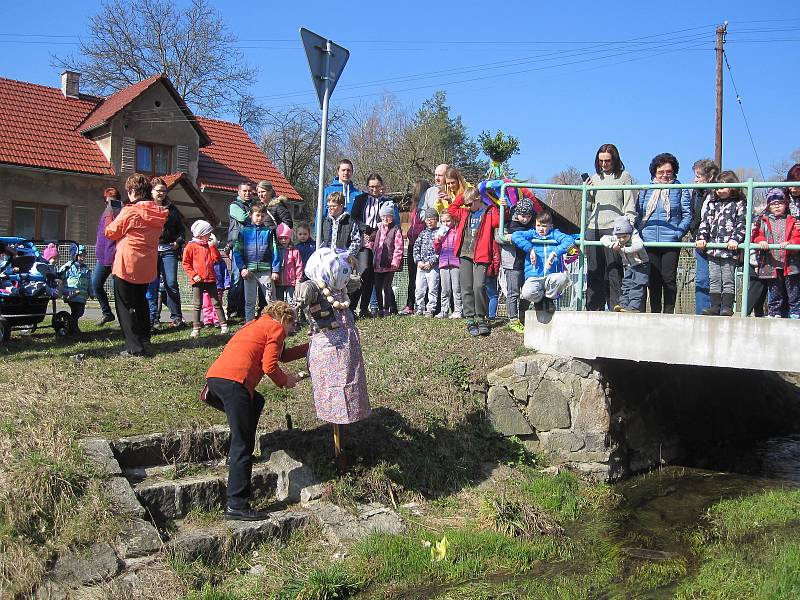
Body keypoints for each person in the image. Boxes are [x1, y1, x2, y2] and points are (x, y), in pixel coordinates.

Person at [204, 301, 308, 521]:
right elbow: (270, 366)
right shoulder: (277, 328)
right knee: (243, 445)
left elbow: (282, 355)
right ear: (284, 319)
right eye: (293, 324)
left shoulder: (256, 325)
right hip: (236, 383)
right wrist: (284, 381)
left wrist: (311, 346)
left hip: (216, 380)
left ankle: (239, 455)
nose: (292, 330)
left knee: (256, 402)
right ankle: (236, 505)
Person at [294, 248, 370, 424]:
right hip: (327, 350)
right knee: (331, 388)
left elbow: (353, 282)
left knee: (352, 383)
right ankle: (334, 420)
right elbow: (303, 292)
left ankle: (349, 421)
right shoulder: (314, 287)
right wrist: (302, 292)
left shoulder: (342, 289)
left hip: (348, 348)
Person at [104, 174, 167, 357]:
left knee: (125, 306)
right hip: (146, 264)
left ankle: (134, 347)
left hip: (126, 263)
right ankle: (145, 339)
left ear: (132, 191)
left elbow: (110, 232)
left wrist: (110, 215)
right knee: (141, 303)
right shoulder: (159, 212)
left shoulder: (129, 211)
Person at [636, 152, 692, 314]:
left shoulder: (680, 189)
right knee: (653, 280)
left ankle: (668, 313)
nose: (664, 175)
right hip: (649, 240)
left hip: (671, 241)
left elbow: (687, 214)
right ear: (654, 172)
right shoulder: (646, 189)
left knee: (668, 279)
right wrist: (641, 231)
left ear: (674, 172)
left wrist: (678, 233)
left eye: (668, 171)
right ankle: (654, 312)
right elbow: (639, 212)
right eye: (661, 172)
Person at [585, 143, 636, 311]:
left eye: (607, 160)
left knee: (614, 269)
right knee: (594, 269)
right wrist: (587, 191)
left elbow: (629, 203)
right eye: (600, 161)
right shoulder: (594, 178)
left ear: (614, 159)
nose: (604, 164)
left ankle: (616, 303)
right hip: (594, 227)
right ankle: (593, 306)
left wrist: (628, 226)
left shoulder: (624, 177)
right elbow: (589, 206)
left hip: (614, 228)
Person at [448, 187, 500, 336]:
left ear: (478, 199)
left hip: (482, 255)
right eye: (466, 204)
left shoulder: (489, 211)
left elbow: (498, 221)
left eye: (470, 204)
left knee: (478, 286)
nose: (467, 207)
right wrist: (464, 195)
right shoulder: (464, 212)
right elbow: (452, 209)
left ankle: (481, 318)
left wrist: (497, 204)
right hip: (465, 254)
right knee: (467, 287)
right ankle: (470, 319)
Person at [695, 171, 747, 316]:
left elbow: (741, 223)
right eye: (718, 188)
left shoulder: (739, 203)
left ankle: (727, 306)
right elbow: (705, 222)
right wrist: (702, 238)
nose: (720, 191)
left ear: (733, 187)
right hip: (713, 247)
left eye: (724, 187)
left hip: (729, 248)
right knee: (714, 278)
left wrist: (735, 239)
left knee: (728, 278)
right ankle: (715, 306)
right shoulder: (712, 203)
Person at [349, 174, 399, 318]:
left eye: (377, 186)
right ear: (367, 187)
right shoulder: (360, 199)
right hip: (364, 241)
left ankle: (367, 308)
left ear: (381, 186)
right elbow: (354, 218)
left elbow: (392, 222)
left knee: (375, 276)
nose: (374, 189)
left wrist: (375, 232)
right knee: (363, 272)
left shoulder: (387, 201)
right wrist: (366, 230)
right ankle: (352, 308)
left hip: (381, 241)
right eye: (371, 187)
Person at [512, 209, 574, 313]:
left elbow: (569, 241)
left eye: (544, 226)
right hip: (534, 275)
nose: (540, 229)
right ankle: (539, 301)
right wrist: (530, 249)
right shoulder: (532, 234)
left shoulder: (555, 234)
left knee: (563, 278)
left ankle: (549, 299)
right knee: (527, 292)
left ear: (551, 226)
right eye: (538, 225)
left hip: (551, 275)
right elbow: (515, 236)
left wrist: (554, 253)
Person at [751, 188, 800, 319]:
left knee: (793, 289)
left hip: (789, 262)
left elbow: (797, 237)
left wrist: (790, 243)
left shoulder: (792, 220)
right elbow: (756, 236)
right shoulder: (763, 221)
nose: (777, 206)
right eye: (773, 203)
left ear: (786, 204)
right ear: (768, 206)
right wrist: (761, 241)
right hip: (771, 262)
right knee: (774, 290)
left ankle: (795, 312)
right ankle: (774, 312)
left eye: (780, 203)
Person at [147, 177, 185, 329]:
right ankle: (153, 317)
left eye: (164, 190)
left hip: (169, 251)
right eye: (158, 191)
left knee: (171, 283)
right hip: (151, 251)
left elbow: (181, 230)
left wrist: (178, 242)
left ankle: (176, 317)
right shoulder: (146, 206)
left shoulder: (172, 208)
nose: (161, 193)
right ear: (151, 191)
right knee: (152, 284)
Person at [233, 203, 281, 323]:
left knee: (270, 299)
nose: (259, 218)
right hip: (249, 272)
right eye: (257, 215)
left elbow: (275, 250)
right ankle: (249, 324)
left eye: (262, 216)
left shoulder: (268, 232)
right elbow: (237, 251)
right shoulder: (243, 232)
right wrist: (242, 268)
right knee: (249, 301)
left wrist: (275, 269)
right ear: (250, 215)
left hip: (265, 271)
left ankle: (273, 323)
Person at [182, 220, 228, 337]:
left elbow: (217, 259)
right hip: (198, 280)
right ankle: (196, 327)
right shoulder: (191, 246)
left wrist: (213, 247)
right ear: (201, 234)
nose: (209, 235)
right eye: (208, 233)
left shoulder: (209, 246)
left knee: (216, 303)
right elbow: (186, 263)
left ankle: (223, 325)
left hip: (211, 279)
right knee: (197, 305)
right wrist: (194, 275)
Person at [497, 197, 536, 333]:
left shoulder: (533, 225)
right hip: (512, 262)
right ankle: (513, 319)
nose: (525, 219)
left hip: (527, 263)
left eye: (528, 216)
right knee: (513, 292)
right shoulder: (508, 221)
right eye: (523, 216)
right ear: (517, 213)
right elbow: (499, 236)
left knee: (526, 292)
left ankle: (523, 316)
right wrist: (507, 238)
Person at [687, 159, 721, 314]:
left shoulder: (721, 191)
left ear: (710, 176)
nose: (695, 179)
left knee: (718, 278)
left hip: (718, 242)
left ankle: (718, 310)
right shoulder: (696, 192)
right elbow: (694, 215)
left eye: (699, 176)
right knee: (701, 279)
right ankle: (701, 312)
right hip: (700, 242)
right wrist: (695, 234)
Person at [600, 217, 649, 313]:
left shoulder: (635, 236)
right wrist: (612, 245)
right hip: (628, 265)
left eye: (624, 237)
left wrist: (625, 250)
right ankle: (623, 305)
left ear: (629, 233)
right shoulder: (617, 237)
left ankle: (634, 306)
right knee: (626, 284)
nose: (621, 240)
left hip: (641, 264)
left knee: (637, 285)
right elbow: (603, 238)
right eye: (619, 237)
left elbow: (639, 245)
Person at [93, 187, 122, 326]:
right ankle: (107, 313)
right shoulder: (106, 212)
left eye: (112, 200)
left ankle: (123, 320)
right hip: (103, 256)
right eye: (108, 201)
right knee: (96, 284)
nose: (109, 203)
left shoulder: (120, 211)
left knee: (119, 291)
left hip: (116, 256)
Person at [401, 179, 431, 315]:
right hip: (412, 244)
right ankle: (410, 304)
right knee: (412, 277)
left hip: (422, 246)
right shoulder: (414, 208)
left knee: (421, 277)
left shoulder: (425, 208)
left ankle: (422, 304)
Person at [226, 181, 255, 318]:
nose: (247, 193)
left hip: (251, 245)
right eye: (244, 191)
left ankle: (243, 310)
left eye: (250, 191)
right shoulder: (234, 205)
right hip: (238, 244)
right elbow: (243, 218)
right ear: (239, 192)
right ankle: (232, 309)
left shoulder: (252, 206)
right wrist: (255, 214)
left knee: (248, 279)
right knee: (237, 278)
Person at [372, 202, 403, 315]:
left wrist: (395, 262)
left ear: (392, 217)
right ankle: (380, 309)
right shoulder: (378, 228)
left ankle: (386, 309)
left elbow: (398, 247)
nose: (386, 218)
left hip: (389, 265)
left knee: (386, 286)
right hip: (377, 264)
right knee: (378, 287)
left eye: (388, 216)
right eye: (384, 216)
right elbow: (372, 244)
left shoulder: (395, 230)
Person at [433, 211, 462, 319]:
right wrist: (437, 241)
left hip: (455, 262)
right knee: (445, 289)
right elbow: (436, 250)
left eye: (448, 221)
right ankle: (444, 310)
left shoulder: (457, 231)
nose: (446, 223)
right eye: (443, 221)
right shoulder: (440, 232)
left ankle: (458, 310)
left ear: (453, 220)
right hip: (443, 262)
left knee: (456, 288)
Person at [412, 207, 441, 316]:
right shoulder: (422, 233)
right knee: (419, 288)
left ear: (437, 219)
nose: (429, 221)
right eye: (427, 219)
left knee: (433, 289)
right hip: (421, 266)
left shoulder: (439, 233)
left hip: (433, 267)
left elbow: (440, 250)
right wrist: (418, 261)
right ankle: (419, 307)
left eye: (432, 219)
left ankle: (430, 309)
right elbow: (416, 248)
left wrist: (431, 262)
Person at [58, 244, 91, 331]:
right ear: (75, 256)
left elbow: (89, 282)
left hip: (82, 296)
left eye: (84, 256)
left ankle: (71, 325)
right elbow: (60, 274)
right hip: (71, 294)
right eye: (80, 256)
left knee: (79, 312)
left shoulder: (85, 269)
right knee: (76, 311)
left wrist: (91, 292)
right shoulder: (69, 266)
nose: (82, 258)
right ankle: (72, 327)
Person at [319, 192, 362, 257]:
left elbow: (356, 241)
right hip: (328, 258)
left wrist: (347, 255)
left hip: (344, 259)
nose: (330, 209)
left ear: (341, 206)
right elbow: (322, 240)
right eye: (328, 206)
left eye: (333, 206)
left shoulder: (350, 222)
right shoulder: (326, 222)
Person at [275, 223, 303, 304]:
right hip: (278, 281)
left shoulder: (294, 251)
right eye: (281, 238)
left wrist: (298, 279)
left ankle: (291, 316)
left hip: (291, 282)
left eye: (286, 238)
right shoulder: (276, 250)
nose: (283, 240)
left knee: (291, 301)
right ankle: (279, 316)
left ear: (289, 238)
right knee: (278, 302)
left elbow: (299, 266)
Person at [203, 252, 229, 328]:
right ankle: (208, 320)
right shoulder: (203, 259)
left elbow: (225, 272)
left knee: (217, 304)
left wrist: (226, 283)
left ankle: (217, 319)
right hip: (205, 285)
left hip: (218, 286)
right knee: (206, 304)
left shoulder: (220, 260)